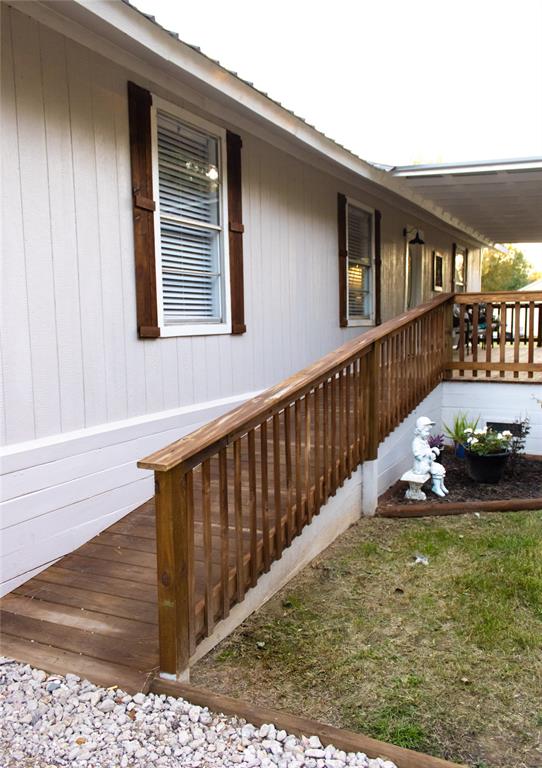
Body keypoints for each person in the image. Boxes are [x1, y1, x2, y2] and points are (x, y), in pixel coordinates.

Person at [412, 416, 449, 498]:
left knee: (440, 467)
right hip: (421, 467)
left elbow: (427, 450)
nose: (428, 434)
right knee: (437, 469)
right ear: (419, 431)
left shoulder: (424, 441)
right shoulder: (416, 442)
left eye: (428, 431)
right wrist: (429, 454)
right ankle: (436, 488)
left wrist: (433, 450)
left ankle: (440, 485)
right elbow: (418, 456)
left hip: (427, 463)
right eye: (426, 431)